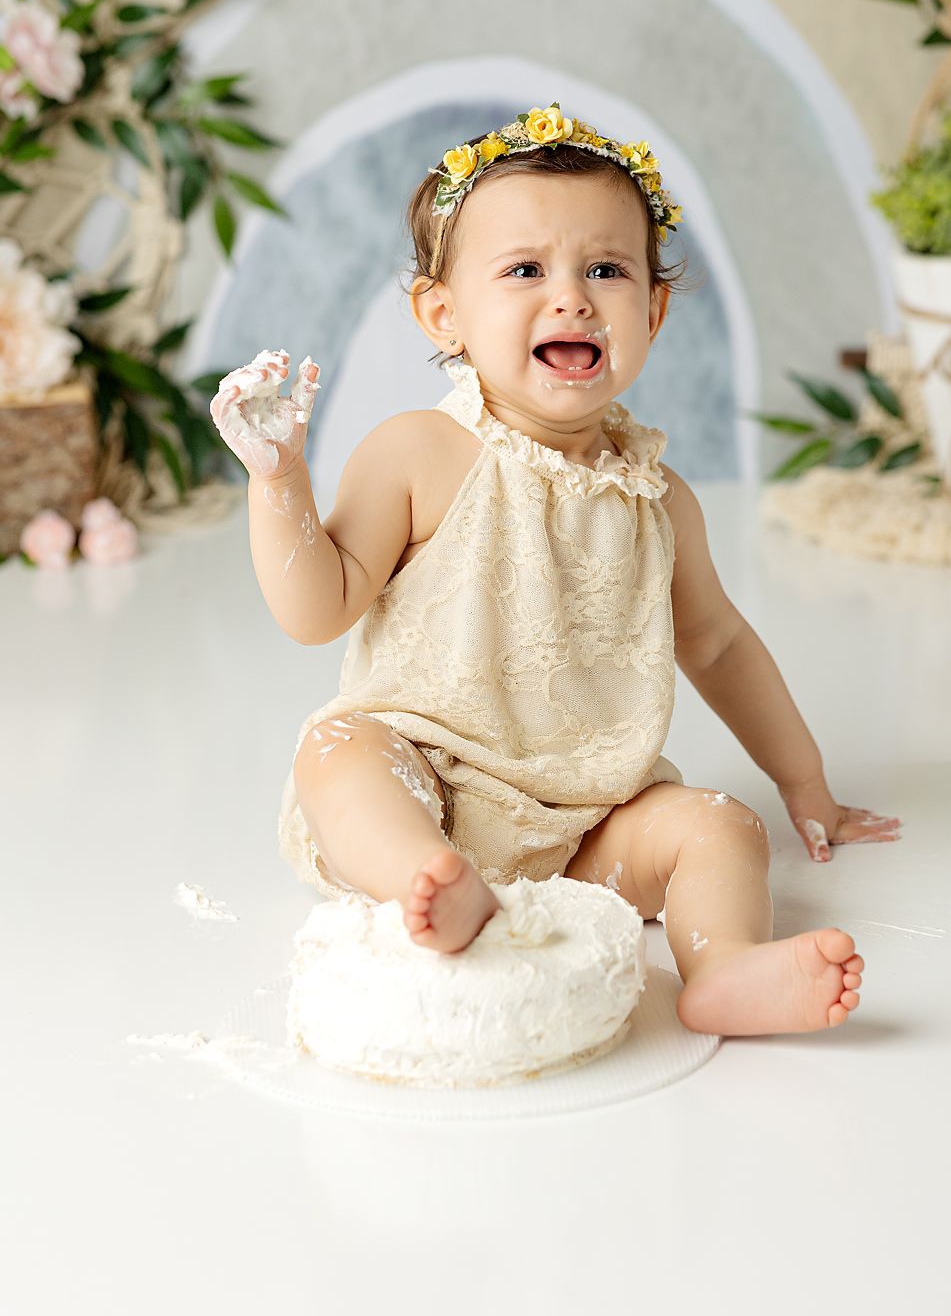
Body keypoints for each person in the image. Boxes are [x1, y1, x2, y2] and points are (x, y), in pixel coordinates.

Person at [210, 102, 901, 1038]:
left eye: (606, 270)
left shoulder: (659, 503)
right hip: (428, 781)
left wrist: (804, 784)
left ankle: (724, 968)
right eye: (525, 269)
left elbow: (721, 643)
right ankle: (427, 878)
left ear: (653, 312)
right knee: (340, 754)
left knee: (718, 826)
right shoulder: (418, 451)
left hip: (584, 828)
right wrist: (279, 477)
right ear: (443, 314)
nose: (571, 296)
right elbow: (314, 606)